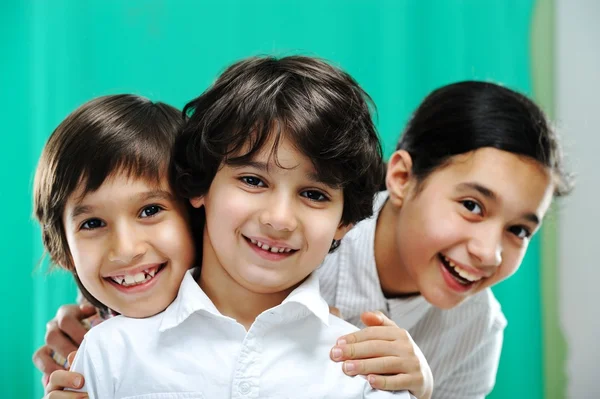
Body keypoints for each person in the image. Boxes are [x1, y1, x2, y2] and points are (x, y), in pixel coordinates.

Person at [42, 56, 417, 398]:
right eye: (253, 181)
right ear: (199, 184)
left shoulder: (365, 372)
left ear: (345, 221)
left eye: (314, 194)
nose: (279, 219)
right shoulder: (108, 352)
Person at [323, 81, 573, 398]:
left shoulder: (478, 329)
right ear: (402, 179)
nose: (489, 254)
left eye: (518, 230)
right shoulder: (305, 249)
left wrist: (421, 394)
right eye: (472, 206)